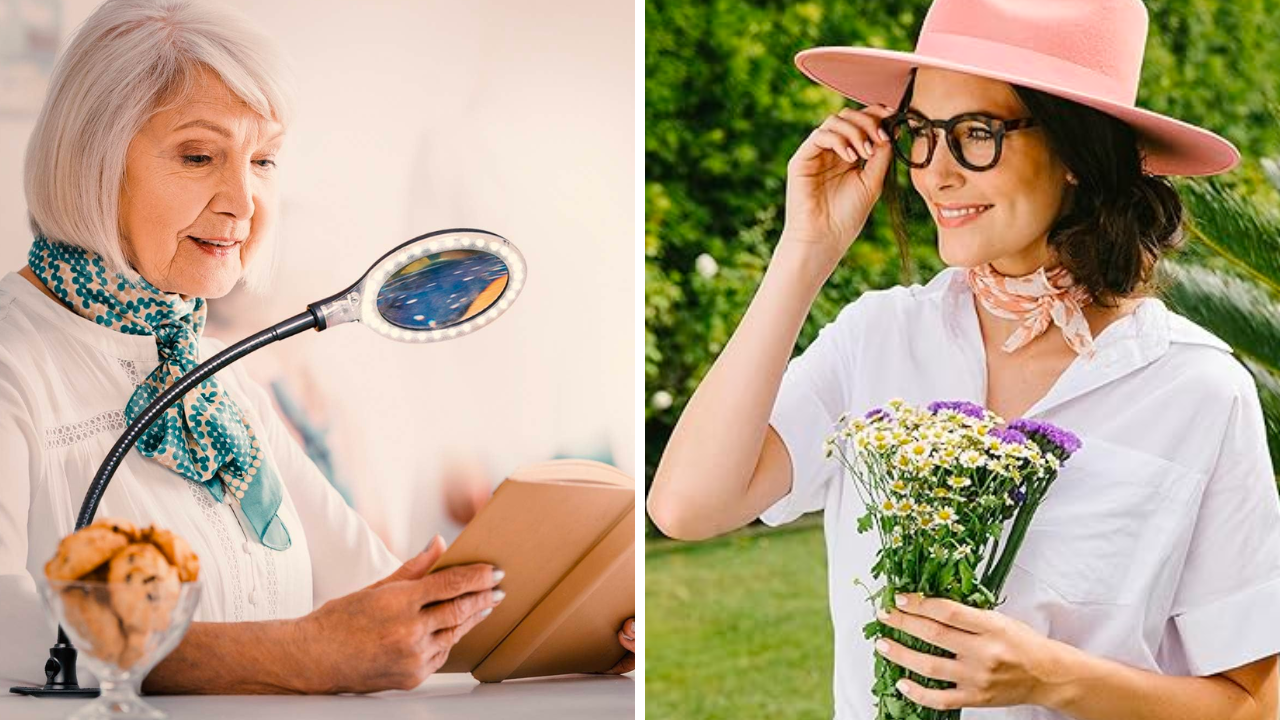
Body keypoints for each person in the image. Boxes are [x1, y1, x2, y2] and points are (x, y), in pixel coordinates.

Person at [647, 0, 1279, 717]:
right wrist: (805, 252)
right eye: (921, 133)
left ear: (1078, 152)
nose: (935, 174)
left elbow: (1253, 705)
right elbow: (687, 506)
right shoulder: (879, 336)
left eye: (976, 133)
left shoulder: (1195, 388)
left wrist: (1050, 677)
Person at [0, 0, 633, 694]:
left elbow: (379, 596)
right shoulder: (15, 363)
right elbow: (9, 628)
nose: (243, 202)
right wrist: (290, 654)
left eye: (264, 159)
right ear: (89, 159)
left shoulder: (219, 384)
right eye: (200, 155)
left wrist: (575, 625)